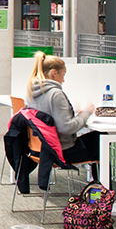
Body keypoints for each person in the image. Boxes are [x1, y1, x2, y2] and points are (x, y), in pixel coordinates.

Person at [22, 52, 100, 186]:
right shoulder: (55, 94)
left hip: (40, 149)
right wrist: (86, 113)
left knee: (95, 140)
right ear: (54, 73)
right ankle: (103, 192)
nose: (63, 80)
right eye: (63, 75)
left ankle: (98, 189)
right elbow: (66, 128)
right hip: (62, 151)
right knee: (100, 139)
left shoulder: (31, 92)